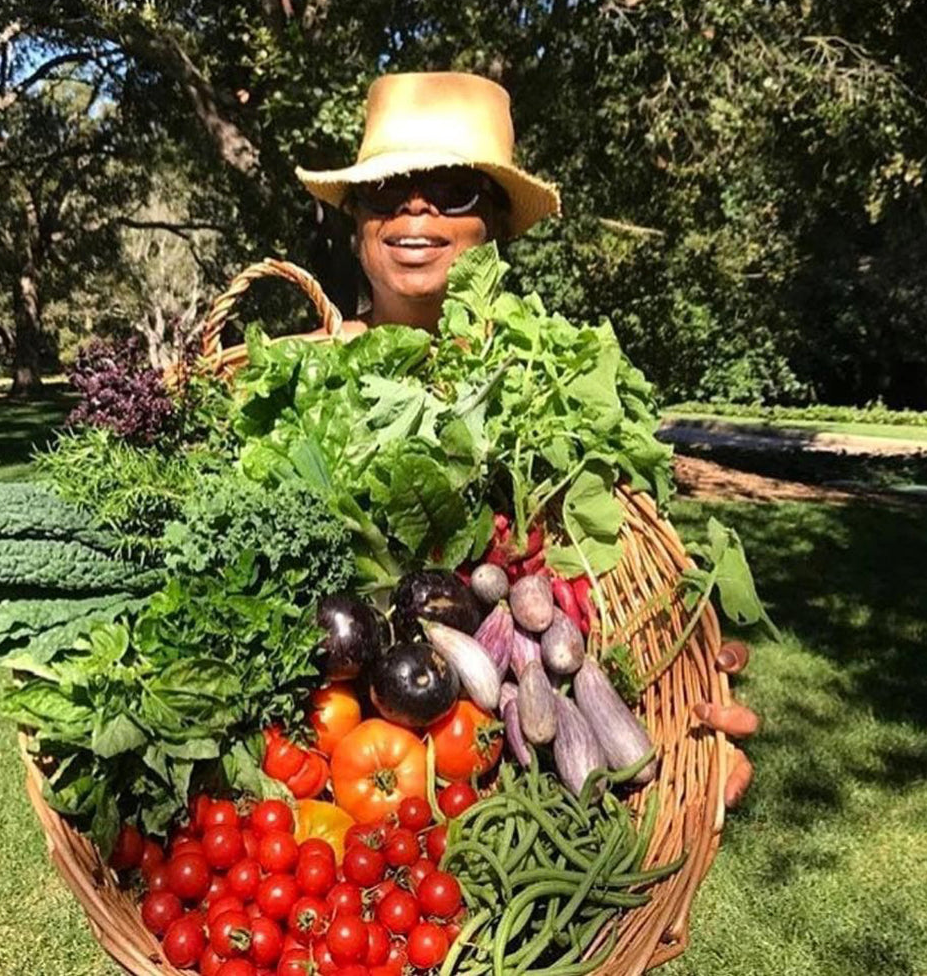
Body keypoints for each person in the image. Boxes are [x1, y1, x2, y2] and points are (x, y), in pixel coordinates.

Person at [298, 71, 756, 807]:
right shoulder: (296, 380)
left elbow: (620, 585)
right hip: (349, 765)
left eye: (452, 188)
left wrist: (694, 689)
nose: (416, 208)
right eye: (386, 190)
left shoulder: (550, 385)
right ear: (356, 223)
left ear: (496, 228)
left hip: (503, 763)